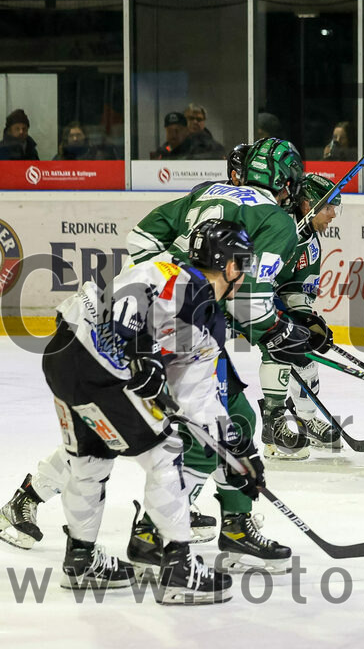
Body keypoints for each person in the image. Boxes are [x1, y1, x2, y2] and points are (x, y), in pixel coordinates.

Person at [121, 137, 322, 573]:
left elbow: (138, 241)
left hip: (146, 322)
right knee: (215, 429)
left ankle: (231, 526)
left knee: (235, 422)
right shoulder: (276, 220)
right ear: (287, 183)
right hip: (187, 334)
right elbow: (249, 304)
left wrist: (172, 288)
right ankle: (155, 534)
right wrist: (279, 330)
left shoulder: (206, 192)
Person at [34, 219, 253, 602]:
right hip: (94, 358)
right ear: (231, 265)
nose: (243, 274)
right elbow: (128, 304)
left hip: (62, 358)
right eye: (242, 263)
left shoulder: (206, 322)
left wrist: (236, 455)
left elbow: (197, 399)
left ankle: (81, 560)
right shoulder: (174, 274)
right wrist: (141, 352)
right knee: (165, 453)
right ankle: (179, 568)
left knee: (90, 458)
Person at [259, 173, 342, 460]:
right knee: (279, 347)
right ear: (308, 205)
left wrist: (306, 322)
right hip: (241, 296)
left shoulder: (312, 244)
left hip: (271, 300)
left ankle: (305, 419)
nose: (333, 214)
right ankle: (273, 431)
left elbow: (296, 288)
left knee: (304, 349)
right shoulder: (275, 223)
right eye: (329, 207)